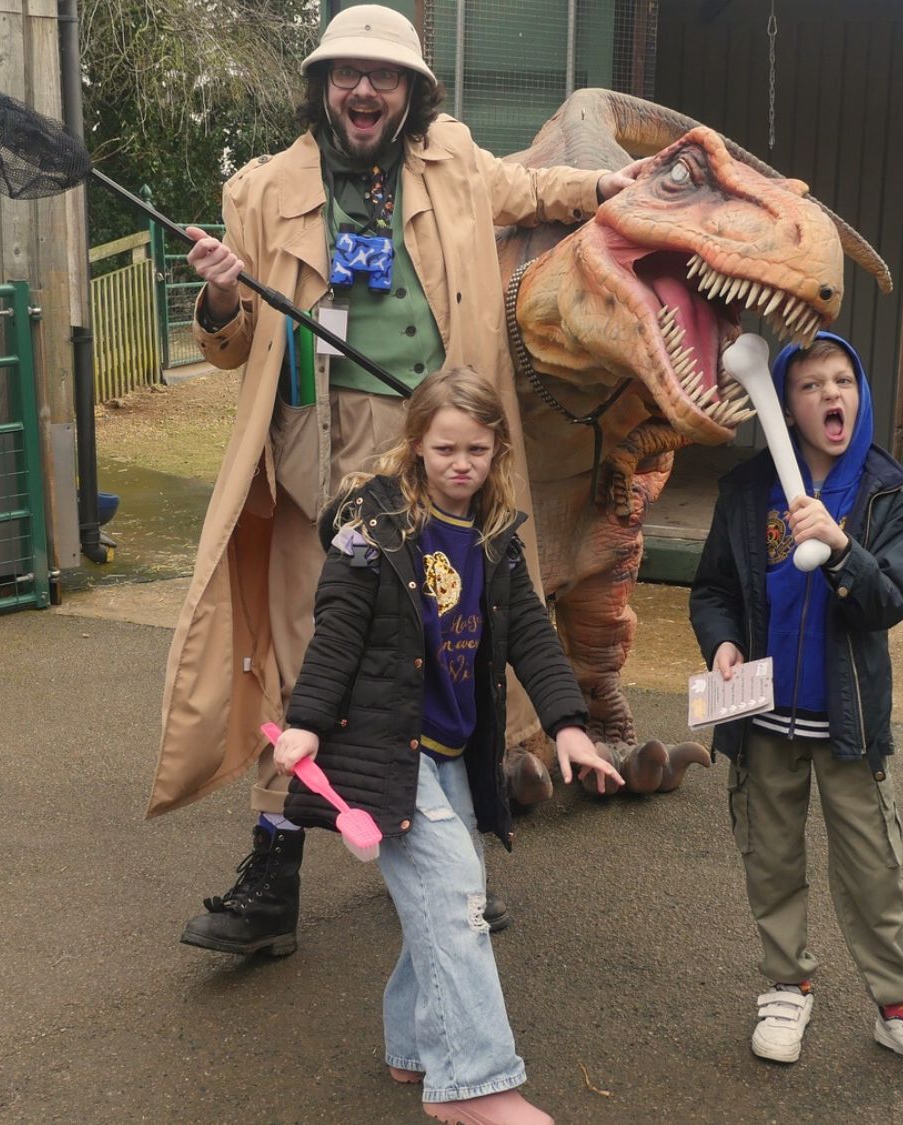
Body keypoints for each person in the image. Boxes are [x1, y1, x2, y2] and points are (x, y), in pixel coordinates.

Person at [143, 5, 638, 957]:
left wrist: (600, 186)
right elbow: (231, 346)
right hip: (319, 457)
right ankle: (273, 875)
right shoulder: (261, 191)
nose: (363, 90)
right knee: (306, 657)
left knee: (451, 644)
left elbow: (528, 189)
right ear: (322, 87)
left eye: (384, 76)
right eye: (346, 74)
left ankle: (442, 858)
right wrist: (219, 294)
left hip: (441, 447)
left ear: (412, 92)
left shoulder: (453, 160)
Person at [273, 367, 621, 1124]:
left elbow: (531, 635)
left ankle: (415, 1045)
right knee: (461, 899)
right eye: (445, 449)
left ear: (497, 451)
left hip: (452, 748)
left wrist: (568, 723)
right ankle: (476, 1084)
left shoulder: (494, 537)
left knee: (441, 899)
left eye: (477, 450)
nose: (461, 464)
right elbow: (336, 633)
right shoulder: (376, 532)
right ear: (416, 445)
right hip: (386, 749)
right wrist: (306, 721)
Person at [688, 332, 903, 1087]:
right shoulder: (747, 490)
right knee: (771, 859)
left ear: (859, 391)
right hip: (761, 719)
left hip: (847, 724)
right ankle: (787, 987)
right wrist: (721, 642)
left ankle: (899, 1008)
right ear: (787, 403)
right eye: (811, 385)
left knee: (873, 867)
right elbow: (713, 589)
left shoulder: (888, 492)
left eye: (842, 380)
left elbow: (890, 603)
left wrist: (843, 548)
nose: (829, 395)